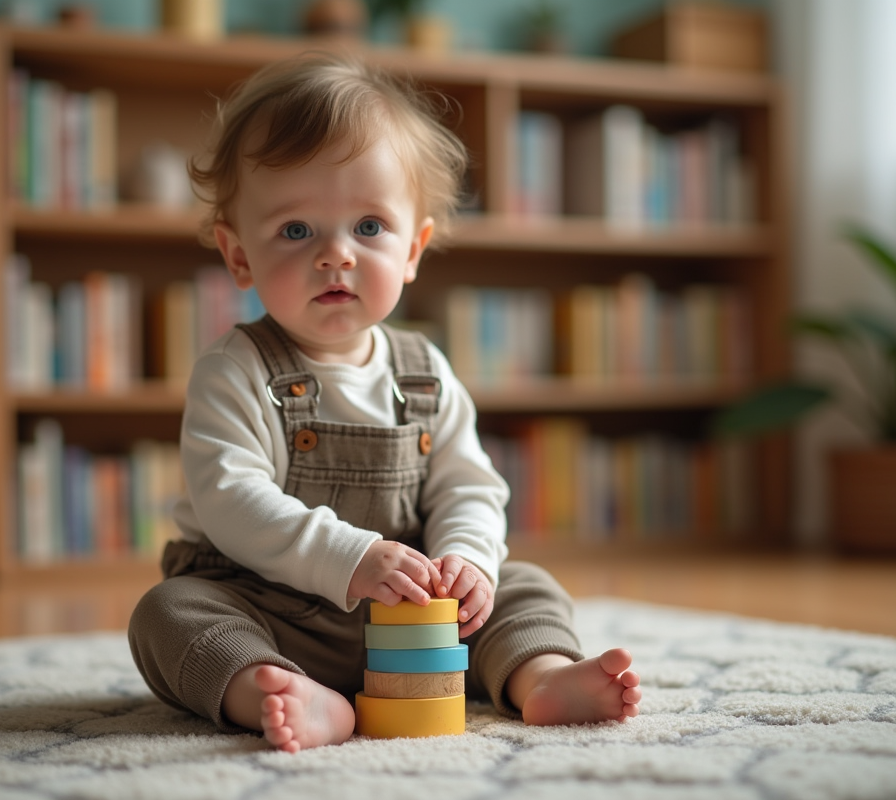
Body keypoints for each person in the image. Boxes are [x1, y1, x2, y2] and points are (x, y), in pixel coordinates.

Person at [128, 53, 640, 753]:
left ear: (413, 250)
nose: (336, 254)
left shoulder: (424, 371)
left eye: (369, 228)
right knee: (168, 613)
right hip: (272, 612)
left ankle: (541, 677)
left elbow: (469, 483)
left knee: (524, 584)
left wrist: (466, 561)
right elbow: (231, 499)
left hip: (419, 624)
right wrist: (352, 558)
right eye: (296, 230)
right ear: (238, 254)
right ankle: (274, 690)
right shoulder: (234, 370)